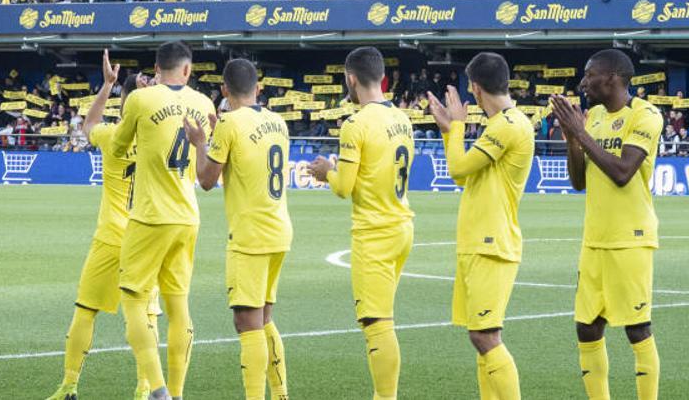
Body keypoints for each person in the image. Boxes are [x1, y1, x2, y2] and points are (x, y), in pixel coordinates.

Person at [549, 49, 663, 400]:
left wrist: (581, 135)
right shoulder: (594, 116)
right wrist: (572, 138)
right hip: (594, 240)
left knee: (637, 329)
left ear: (612, 77)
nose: (583, 82)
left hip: (630, 239)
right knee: (587, 327)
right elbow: (579, 181)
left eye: (590, 75)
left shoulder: (646, 115)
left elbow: (622, 173)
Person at [47, 52, 161, 400]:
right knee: (146, 317)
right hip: (147, 237)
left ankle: (69, 385)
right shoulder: (161, 139)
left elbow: (86, 126)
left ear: (124, 102)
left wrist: (108, 85)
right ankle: (145, 388)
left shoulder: (113, 136)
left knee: (86, 310)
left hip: (111, 236)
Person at [110, 41, 216, 400]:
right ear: (187, 70)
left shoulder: (141, 100)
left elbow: (117, 148)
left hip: (151, 216)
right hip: (188, 217)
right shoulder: (204, 104)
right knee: (179, 306)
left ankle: (157, 390)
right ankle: (178, 392)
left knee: (134, 300)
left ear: (156, 69)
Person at [425, 52, 535, 400]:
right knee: (479, 337)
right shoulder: (502, 123)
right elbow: (466, 175)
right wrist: (448, 132)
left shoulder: (508, 124)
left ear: (474, 87)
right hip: (479, 241)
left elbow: (457, 170)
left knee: (486, 336)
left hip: (492, 241)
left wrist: (456, 125)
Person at [308, 47, 415, 400]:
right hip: (401, 225)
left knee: (377, 322)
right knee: (382, 317)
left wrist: (327, 173)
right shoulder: (402, 117)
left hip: (375, 232)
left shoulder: (356, 124)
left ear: (351, 78)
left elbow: (344, 188)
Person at [187, 59, 292, 400]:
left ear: (224, 90)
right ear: (258, 87)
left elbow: (206, 180)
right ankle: (280, 394)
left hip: (250, 235)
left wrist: (201, 141)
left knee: (246, 324)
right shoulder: (278, 121)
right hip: (279, 230)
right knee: (264, 318)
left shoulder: (229, 124)